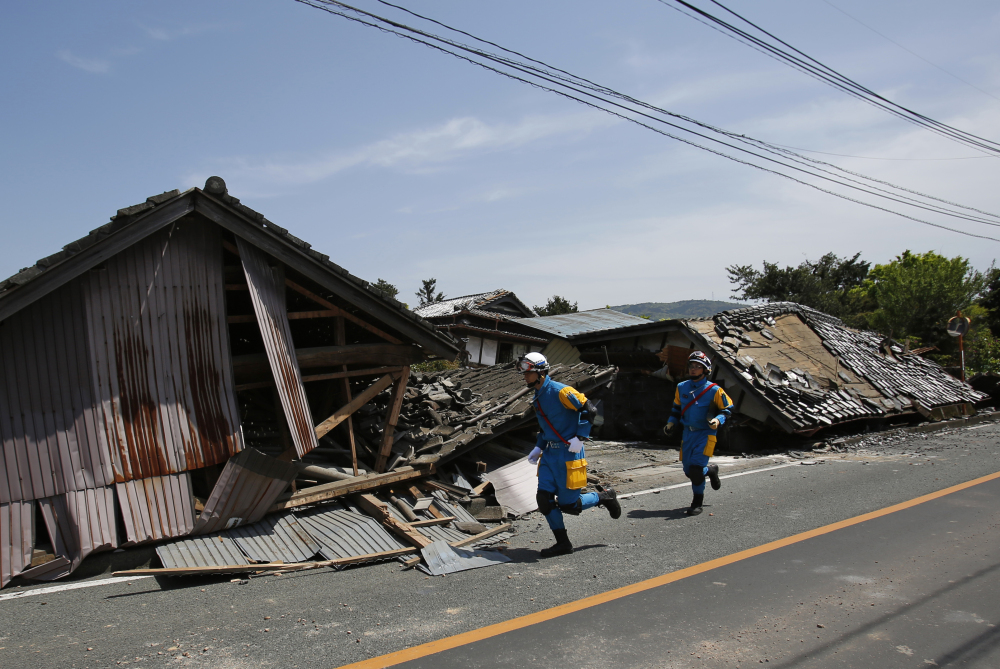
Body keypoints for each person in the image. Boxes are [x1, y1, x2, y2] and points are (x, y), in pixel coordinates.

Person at [518, 352, 621, 557]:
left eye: (528, 372)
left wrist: (580, 437)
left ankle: (604, 497)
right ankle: (563, 543)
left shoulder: (561, 391)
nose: (524, 376)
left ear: (540, 372)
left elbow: (589, 410)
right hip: (549, 454)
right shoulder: (537, 397)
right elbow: (545, 427)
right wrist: (538, 447)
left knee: (569, 505)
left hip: (569, 452)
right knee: (544, 499)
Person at [664, 351, 733, 516]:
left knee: (695, 470)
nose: (693, 369)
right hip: (688, 434)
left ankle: (697, 502)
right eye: (691, 366)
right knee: (688, 471)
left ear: (705, 370)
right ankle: (710, 471)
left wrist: (718, 420)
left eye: (698, 367)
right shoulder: (682, 387)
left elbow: (727, 409)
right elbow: (676, 408)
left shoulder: (714, 390)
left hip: (706, 434)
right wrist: (671, 422)